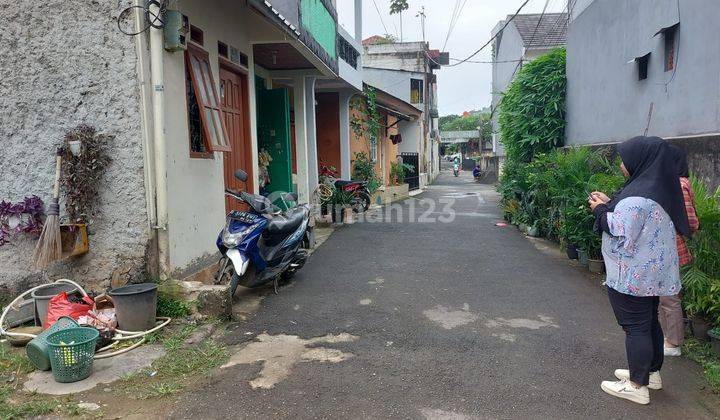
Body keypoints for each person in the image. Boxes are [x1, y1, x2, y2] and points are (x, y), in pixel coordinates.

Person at [589, 136, 689, 405]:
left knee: (635, 327)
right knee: (648, 323)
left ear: (640, 160)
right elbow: (640, 221)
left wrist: (600, 210)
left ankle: (636, 385)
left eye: (625, 158)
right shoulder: (659, 190)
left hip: (633, 276)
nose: (622, 164)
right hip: (655, 275)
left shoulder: (636, 198)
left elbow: (620, 231)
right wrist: (611, 204)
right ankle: (649, 373)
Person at [660, 146, 700, 356]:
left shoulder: (678, 184)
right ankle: (669, 338)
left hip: (672, 246)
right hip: (668, 246)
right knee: (666, 295)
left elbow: (691, 221)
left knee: (669, 296)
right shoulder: (674, 183)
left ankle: (674, 343)